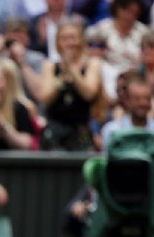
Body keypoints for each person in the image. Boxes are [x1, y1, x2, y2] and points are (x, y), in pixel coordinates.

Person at [36, 18, 103, 151]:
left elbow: (89, 93)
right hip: (55, 131)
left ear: (81, 40)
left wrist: (71, 69)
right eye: (64, 38)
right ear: (57, 43)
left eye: (73, 37)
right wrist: (61, 80)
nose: (69, 43)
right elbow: (45, 99)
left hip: (81, 131)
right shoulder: (49, 66)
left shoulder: (92, 64)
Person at [101, 77, 154, 157]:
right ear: (127, 101)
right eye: (137, 99)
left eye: (147, 99)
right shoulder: (111, 131)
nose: (143, 103)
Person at [85, 0, 147, 73]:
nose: (130, 16)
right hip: (106, 73)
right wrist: (92, 52)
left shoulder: (143, 32)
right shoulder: (102, 28)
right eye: (128, 11)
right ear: (118, 9)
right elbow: (83, 41)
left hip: (134, 74)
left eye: (134, 13)